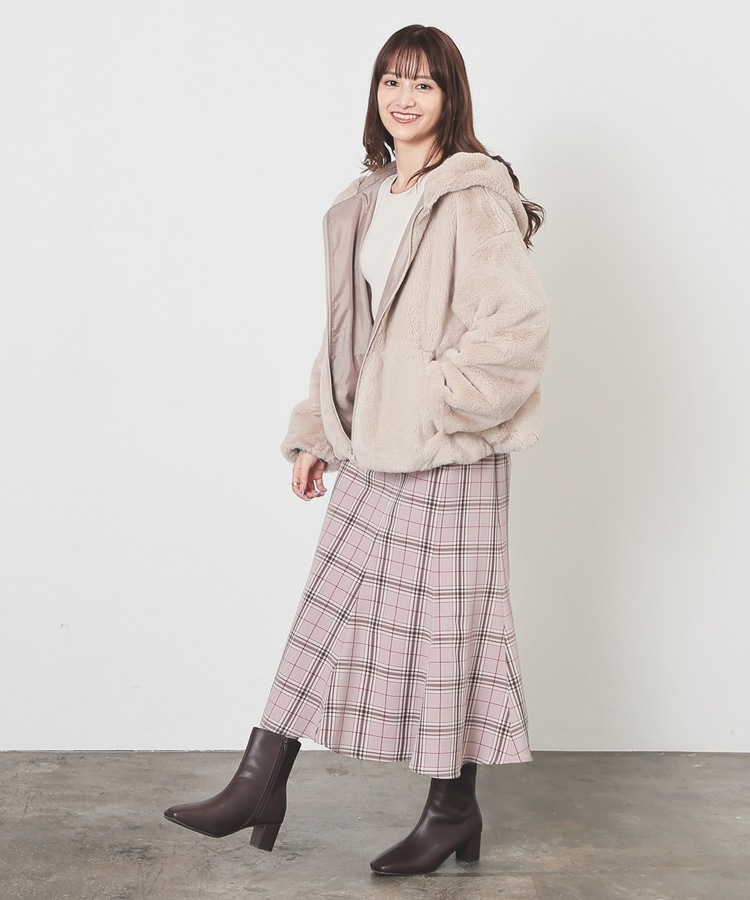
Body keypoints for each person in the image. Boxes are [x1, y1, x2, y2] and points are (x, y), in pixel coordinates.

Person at [164, 23, 549, 876]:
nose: (404, 98)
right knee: (327, 605)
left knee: (454, 628)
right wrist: (317, 430)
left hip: (452, 451)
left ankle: (449, 807)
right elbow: (349, 337)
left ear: (451, 97)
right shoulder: (366, 199)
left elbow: (518, 328)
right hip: (376, 444)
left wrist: (435, 398)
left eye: (423, 84)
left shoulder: (471, 196)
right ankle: (260, 781)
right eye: (391, 81)